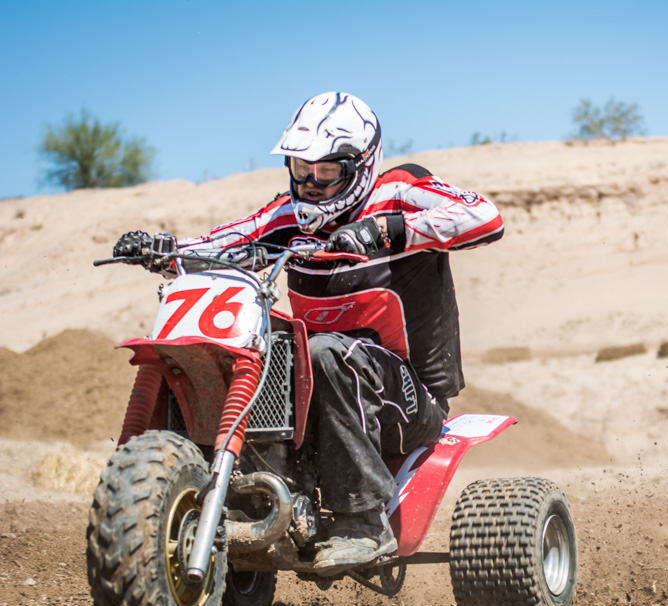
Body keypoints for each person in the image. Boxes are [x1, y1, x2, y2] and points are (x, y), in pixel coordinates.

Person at [112, 91, 503, 570]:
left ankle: (363, 523)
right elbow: (228, 240)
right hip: (319, 388)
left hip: (409, 398)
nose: (311, 184)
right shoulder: (288, 217)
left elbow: (485, 216)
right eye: (301, 169)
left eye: (326, 171)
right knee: (254, 353)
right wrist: (165, 250)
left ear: (360, 165)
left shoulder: (399, 191)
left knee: (324, 353)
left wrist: (386, 231)